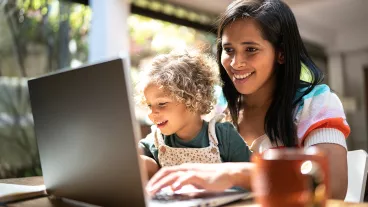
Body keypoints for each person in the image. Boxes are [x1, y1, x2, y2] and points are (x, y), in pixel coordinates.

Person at [146, 0, 350, 199]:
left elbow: (331, 186)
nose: (236, 63)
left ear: (281, 53)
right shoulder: (212, 105)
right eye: (228, 50)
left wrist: (238, 174)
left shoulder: (316, 104)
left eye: (251, 49)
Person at [136, 49, 252, 179]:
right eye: (149, 106)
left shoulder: (225, 137)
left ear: (193, 98)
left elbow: (253, 176)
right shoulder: (155, 142)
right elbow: (132, 163)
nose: (152, 114)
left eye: (162, 104)